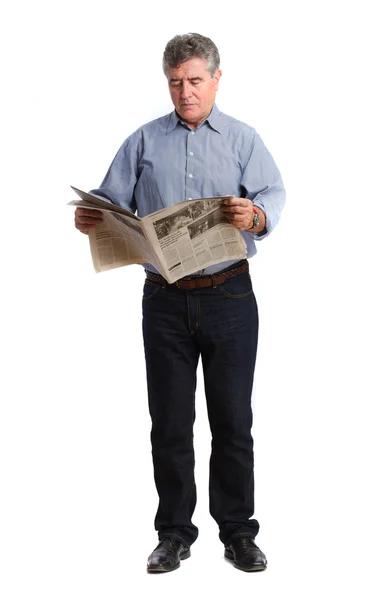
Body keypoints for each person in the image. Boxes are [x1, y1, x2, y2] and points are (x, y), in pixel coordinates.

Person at [74, 33, 286, 573]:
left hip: (230, 295)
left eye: (194, 80)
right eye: (175, 83)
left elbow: (271, 197)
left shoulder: (243, 139)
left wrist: (254, 217)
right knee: (168, 422)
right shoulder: (143, 142)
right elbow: (110, 202)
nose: (184, 92)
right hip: (164, 303)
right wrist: (91, 219)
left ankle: (238, 533)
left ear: (217, 79)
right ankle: (174, 533)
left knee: (233, 421)